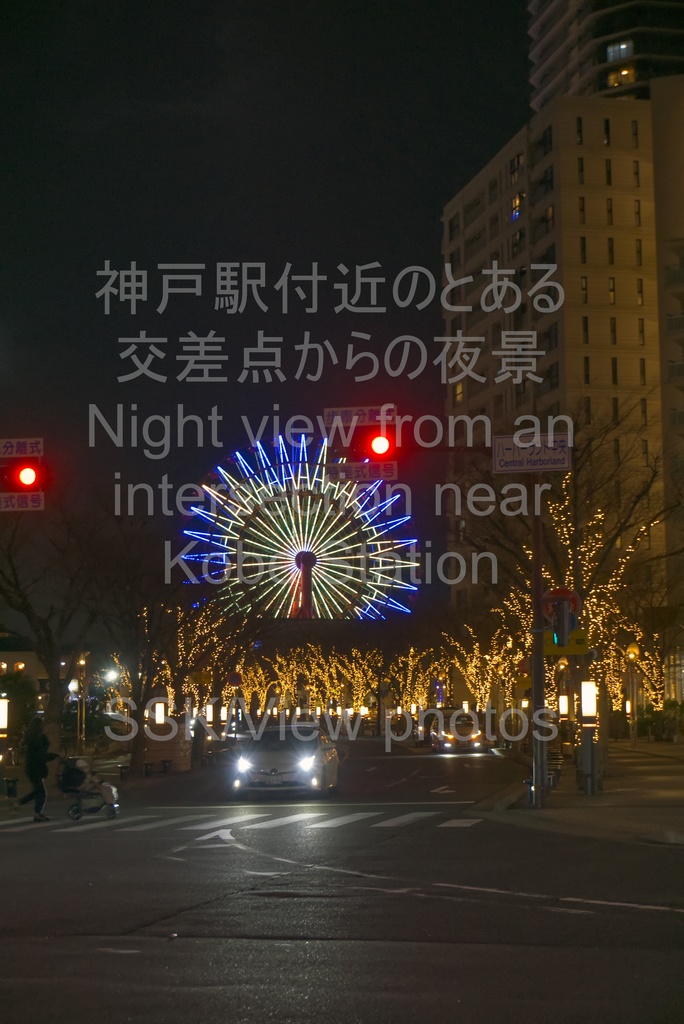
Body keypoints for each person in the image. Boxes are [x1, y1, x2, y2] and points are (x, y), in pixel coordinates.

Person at [18, 718, 58, 822]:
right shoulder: (40, 739)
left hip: (30, 767)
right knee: (41, 792)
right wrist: (53, 756)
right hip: (37, 768)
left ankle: (19, 803)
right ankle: (37, 813)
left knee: (37, 791)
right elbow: (42, 756)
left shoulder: (30, 738)